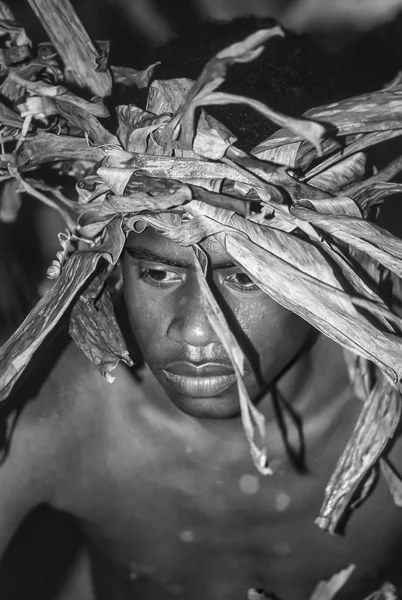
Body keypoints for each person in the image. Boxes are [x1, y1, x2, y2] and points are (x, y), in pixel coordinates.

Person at [1, 17, 402, 600]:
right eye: (159, 272)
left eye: (245, 277)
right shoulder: (59, 419)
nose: (192, 329)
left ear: (332, 265)